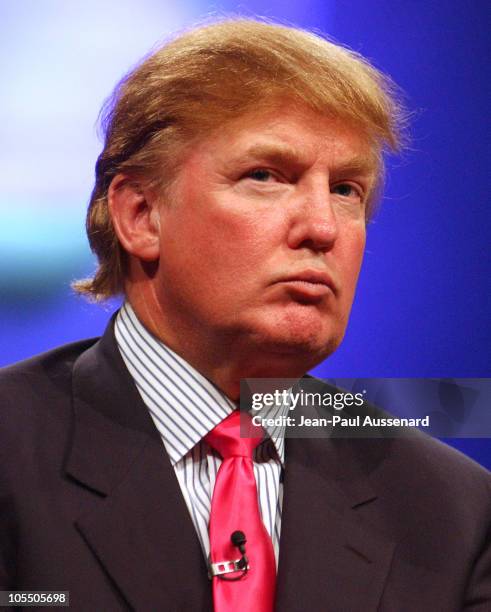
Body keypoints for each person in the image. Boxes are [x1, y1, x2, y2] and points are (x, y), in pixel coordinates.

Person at [1, 18, 490, 612]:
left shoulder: (453, 512)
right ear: (140, 215)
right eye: (266, 176)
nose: (322, 228)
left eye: (347, 190)